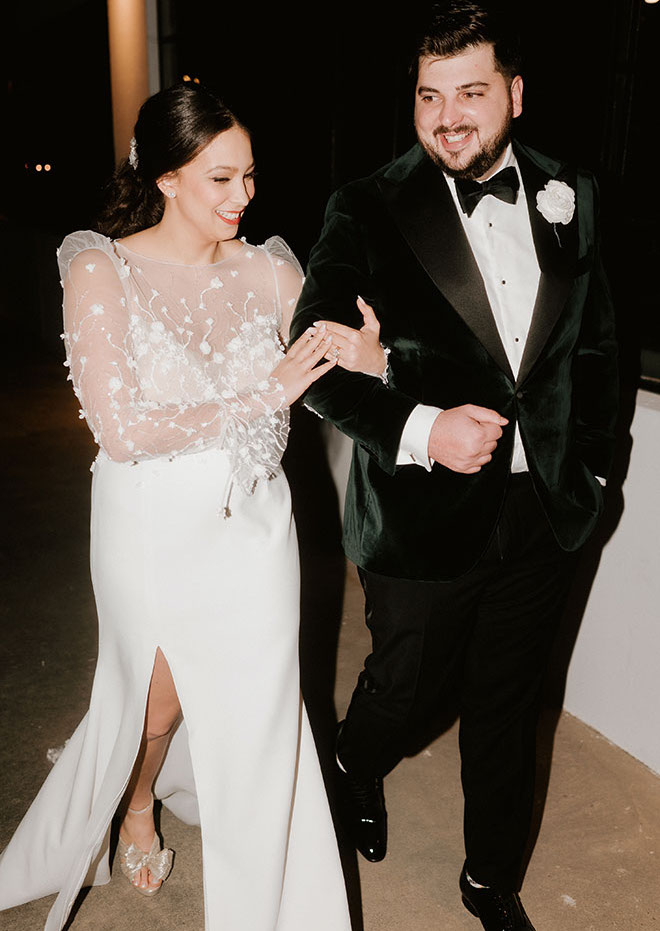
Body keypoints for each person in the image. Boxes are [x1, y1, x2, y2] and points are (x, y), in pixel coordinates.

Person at [0, 81, 381, 931]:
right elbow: (123, 427)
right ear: (166, 177)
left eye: (249, 176)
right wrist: (263, 392)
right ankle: (136, 802)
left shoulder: (273, 267)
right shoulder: (103, 268)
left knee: (263, 709)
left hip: (256, 526)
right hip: (151, 524)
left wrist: (372, 354)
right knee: (157, 703)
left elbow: (332, 375)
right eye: (220, 179)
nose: (244, 196)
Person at [289, 3, 618, 929]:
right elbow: (312, 358)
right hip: (419, 513)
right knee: (406, 688)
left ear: (515, 94)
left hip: (547, 508)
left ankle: (489, 880)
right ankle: (354, 760)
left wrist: (594, 466)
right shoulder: (364, 204)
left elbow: (595, 345)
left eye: (471, 92)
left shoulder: (571, 194)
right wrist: (422, 427)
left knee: (508, 706)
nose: (448, 117)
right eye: (431, 95)